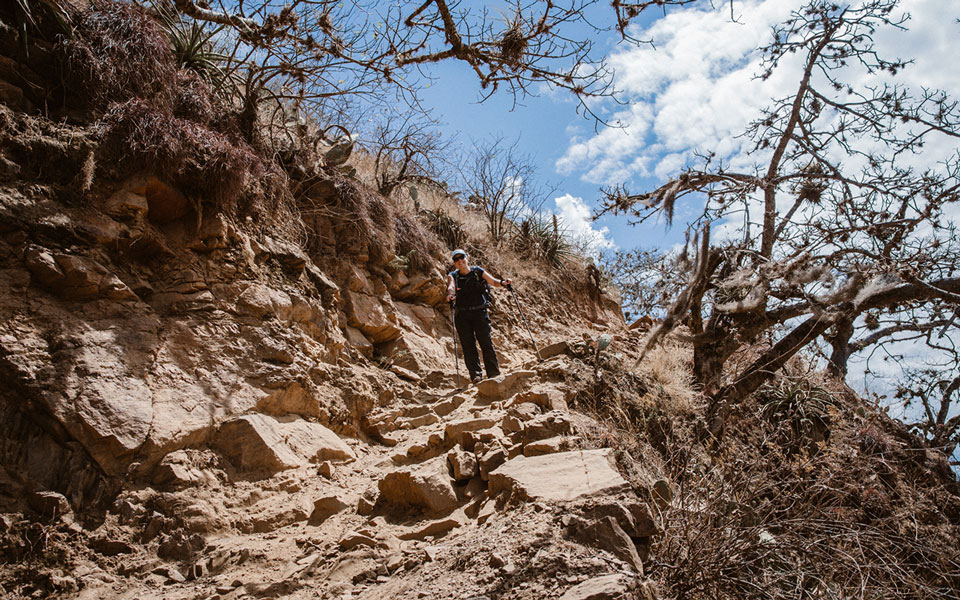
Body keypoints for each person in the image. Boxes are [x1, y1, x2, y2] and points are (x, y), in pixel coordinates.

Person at [446, 249, 512, 383]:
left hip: (479, 313)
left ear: (466, 257)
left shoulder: (478, 272)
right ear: (454, 263)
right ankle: (476, 375)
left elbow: (493, 282)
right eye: (456, 259)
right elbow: (451, 287)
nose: (459, 261)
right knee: (468, 345)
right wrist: (450, 295)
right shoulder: (453, 275)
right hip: (462, 315)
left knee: (485, 342)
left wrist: (504, 283)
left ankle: (493, 373)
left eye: (461, 257)